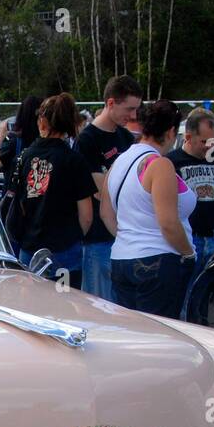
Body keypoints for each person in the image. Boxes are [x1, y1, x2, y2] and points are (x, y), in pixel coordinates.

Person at [102, 99, 196, 316]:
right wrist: (188, 253)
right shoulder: (160, 165)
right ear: (172, 131)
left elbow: (106, 213)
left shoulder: (119, 161)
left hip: (121, 258)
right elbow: (168, 223)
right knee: (161, 336)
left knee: (131, 335)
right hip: (159, 260)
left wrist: (130, 237)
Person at [6, 93, 96, 288]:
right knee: (63, 309)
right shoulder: (74, 160)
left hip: (29, 246)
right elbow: (86, 216)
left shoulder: (25, 156)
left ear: (42, 121)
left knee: (30, 308)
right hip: (65, 247)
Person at [75, 75, 143, 301]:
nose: (133, 116)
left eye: (136, 110)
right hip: (97, 240)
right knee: (99, 306)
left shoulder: (126, 137)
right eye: (129, 109)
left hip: (125, 236)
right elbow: (99, 189)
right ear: (111, 103)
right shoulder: (87, 140)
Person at [167, 107, 214, 322]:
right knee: (183, 295)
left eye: (213, 141)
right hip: (189, 239)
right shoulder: (173, 161)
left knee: (206, 297)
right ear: (188, 137)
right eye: (205, 141)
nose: (210, 146)